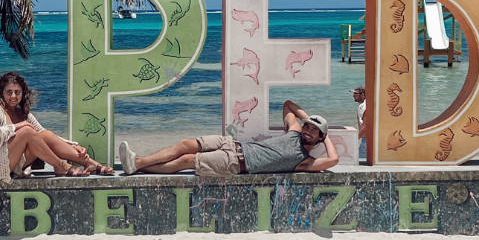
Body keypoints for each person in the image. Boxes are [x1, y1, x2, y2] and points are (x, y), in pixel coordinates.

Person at [117, 99, 338, 177]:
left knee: (186, 162)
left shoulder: (304, 161)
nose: (307, 130)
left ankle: (137, 163)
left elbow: (333, 160)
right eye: (307, 126)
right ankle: (137, 163)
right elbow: (288, 105)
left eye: (313, 131)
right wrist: (311, 121)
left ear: (320, 138)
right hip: (233, 144)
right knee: (186, 144)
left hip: (236, 163)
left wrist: (325, 135)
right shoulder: (294, 132)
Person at [0, 72, 113, 180]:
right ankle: (60, 166)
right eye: (9, 92)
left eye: (17, 92)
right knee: (27, 131)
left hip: (13, 164)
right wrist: (16, 127)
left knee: (43, 134)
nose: (13, 96)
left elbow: (43, 136)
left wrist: (74, 146)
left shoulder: (23, 113)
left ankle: (88, 163)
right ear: (1, 93)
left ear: (23, 94)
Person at [352, 85, 367, 162]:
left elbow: (366, 127)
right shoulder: (363, 106)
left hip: (367, 141)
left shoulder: (365, 106)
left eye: (355, 94)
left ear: (363, 95)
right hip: (365, 140)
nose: (353, 96)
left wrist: (354, 139)